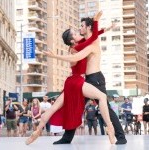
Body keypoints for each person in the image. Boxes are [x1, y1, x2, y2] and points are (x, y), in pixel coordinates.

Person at [25, 11, 115, 145]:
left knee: (54, 107)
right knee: (102, 97)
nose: (79, 33)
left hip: (71, 82)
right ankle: (110, 128)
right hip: (76, 81)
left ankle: (38, 130)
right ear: (72, 40)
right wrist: (55, 56)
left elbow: (93, 36)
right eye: (76, 34)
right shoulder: (76, 48)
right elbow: (90, 41)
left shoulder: (79, 44)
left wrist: (105, 29)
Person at [44, 17, 127, 144]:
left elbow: (93, 37)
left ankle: (121, 137)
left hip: (96, 79)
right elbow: (95, 34)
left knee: (107, 109)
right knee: (74, 105)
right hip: (87, 80)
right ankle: (67, 137)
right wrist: (105, 28)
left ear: (88, 27)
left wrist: (97, 23)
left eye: (82, 26)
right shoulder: (85, 41)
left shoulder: (91, 42)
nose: (80, 28)